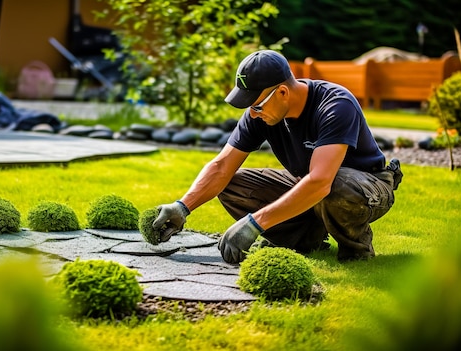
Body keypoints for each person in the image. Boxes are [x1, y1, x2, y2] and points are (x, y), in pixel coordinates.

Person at [152, 49, 403, 264]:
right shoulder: (261, 113)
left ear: (282, 92)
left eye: (256, 105)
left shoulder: (336, 105)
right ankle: (304, 240)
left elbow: (320, 181)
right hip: (311, 184)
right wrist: (183, 207)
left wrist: (254, 223)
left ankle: (356, 250)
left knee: (335, 184)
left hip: (366, 189)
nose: (251, 114)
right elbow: (221, 166)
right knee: (230, 183)